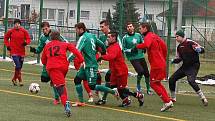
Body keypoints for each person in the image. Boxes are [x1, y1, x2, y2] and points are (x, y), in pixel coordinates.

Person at [41, 31, 84, 117]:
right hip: (64, 67)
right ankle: (55, 84)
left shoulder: (47, 46)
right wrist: (81, 60)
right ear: (59, 37)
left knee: (60, 88)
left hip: (53, 68)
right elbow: (75, 50)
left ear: (50, 38)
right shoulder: (64, 44)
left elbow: (43, 60)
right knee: (59, 84)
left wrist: (48, 62)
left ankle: (66, 104)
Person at [96, 31, 144, 107]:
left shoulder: (115, 46)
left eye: (109, 37)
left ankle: (138, 95)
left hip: (121, 71)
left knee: (121, 89)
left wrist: (101, 57)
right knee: (113, 86)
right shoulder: (110, 46)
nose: (107, 39)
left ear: (114, 38)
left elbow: (111, 56)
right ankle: (126, 100)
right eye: (107, 37)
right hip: (114, 71)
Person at [133, 22, 173, 112]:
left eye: (140, 28)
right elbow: (165, 47)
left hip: (156, 64)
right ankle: (168, 100)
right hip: (161, 63)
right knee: (157, 83)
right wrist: (162, 57)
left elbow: (146, 45)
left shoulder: (148, 37)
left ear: (145, 29)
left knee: (153, 83)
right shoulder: (155, 36)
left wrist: (137, 46)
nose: (139, 30)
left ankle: (167, 102)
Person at [30, 22, 67, 105]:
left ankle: (57, 98)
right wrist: (35, 50)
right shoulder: (43, 38)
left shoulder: (55, 35)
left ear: (49, 28)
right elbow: (40, 48)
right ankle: (54, 83)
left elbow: (65, 42)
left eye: (46, 29)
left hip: (57, 61)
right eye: (43, 29)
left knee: (54, 81)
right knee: (44, 78)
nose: (45, 30)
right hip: (47, 61)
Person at [169, 30, 208, 106]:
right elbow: (179, 59)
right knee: (171, 79)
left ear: (182, 36)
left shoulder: (190, 43)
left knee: (190, 80)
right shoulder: (179, 47)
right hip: (185, 66)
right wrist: (173, 61)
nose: (176, 38)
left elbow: (202, 50)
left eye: (177, 36)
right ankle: (173, 98)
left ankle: (203, 98)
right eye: (175, 37)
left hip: (194, 66)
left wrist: (200, 50)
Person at [72, 22, 106, 106]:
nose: (76, 32)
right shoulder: (92, 36)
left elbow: (77, 51)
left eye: (76, 30)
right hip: (86, 64)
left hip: (91, 64)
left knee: (92, 85)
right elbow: (102, 44)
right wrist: (104, 52)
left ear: (81, 29)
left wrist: (67, 60)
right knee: (77, 79)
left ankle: (112, 91)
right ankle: (81, 101)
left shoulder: (83, 37)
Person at [123, 22, 152, 95]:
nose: (129, 28)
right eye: (128, 27)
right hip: (132, 58)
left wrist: (144, 48)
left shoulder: (138, 35)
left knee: (147, 73)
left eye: (130, 26)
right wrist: (130, 50)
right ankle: (138, 86)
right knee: (140, 71)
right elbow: (123, 49)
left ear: (133, 27)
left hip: (141, 56)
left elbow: (143, 42)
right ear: (126, 28)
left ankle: (148, 88)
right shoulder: (125, 38)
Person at [4, 19, 31, 86]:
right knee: (18, 66)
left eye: (18, 24)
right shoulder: (10, 31)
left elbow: (28, 39)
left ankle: (14, 79)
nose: (17, 25)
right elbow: (5, 38)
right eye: (16, 24)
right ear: (14, 25)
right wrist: (8, 45)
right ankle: (20, 80)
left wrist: (26, 42)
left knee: (19, 67)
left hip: (21, 52)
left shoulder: (24, 31)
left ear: (20, 24)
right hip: (13, 52)